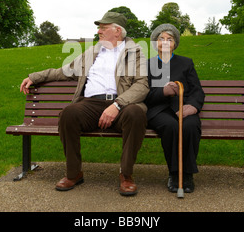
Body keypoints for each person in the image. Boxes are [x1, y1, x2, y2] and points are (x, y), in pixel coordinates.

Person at [20, 12, 149, 196]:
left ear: (117, 31)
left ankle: (126, 175)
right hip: (91, 103)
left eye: (104, 28)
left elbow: (142, 85)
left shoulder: (135, 53)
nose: (99, 31)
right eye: (99, 28)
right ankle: (74, 173)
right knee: (69, 114)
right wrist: (34, 77)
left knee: (136, 114)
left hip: (122, 104)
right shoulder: (92, 52)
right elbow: (63, 72)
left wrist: (117, 105)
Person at [144, 24, 205, 193]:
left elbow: (197, 90)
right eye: (161, 39)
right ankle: (174, 173)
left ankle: (187, 174)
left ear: (175, 43)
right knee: (170, 127)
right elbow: (144, 94)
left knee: (190, 126)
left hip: (183, 107)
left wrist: (192, 106)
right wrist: (163, 91)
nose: (165, 42)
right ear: (155, 43)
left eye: (169, 39)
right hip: (158, 110)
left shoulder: (186, 63)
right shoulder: (148, 65)